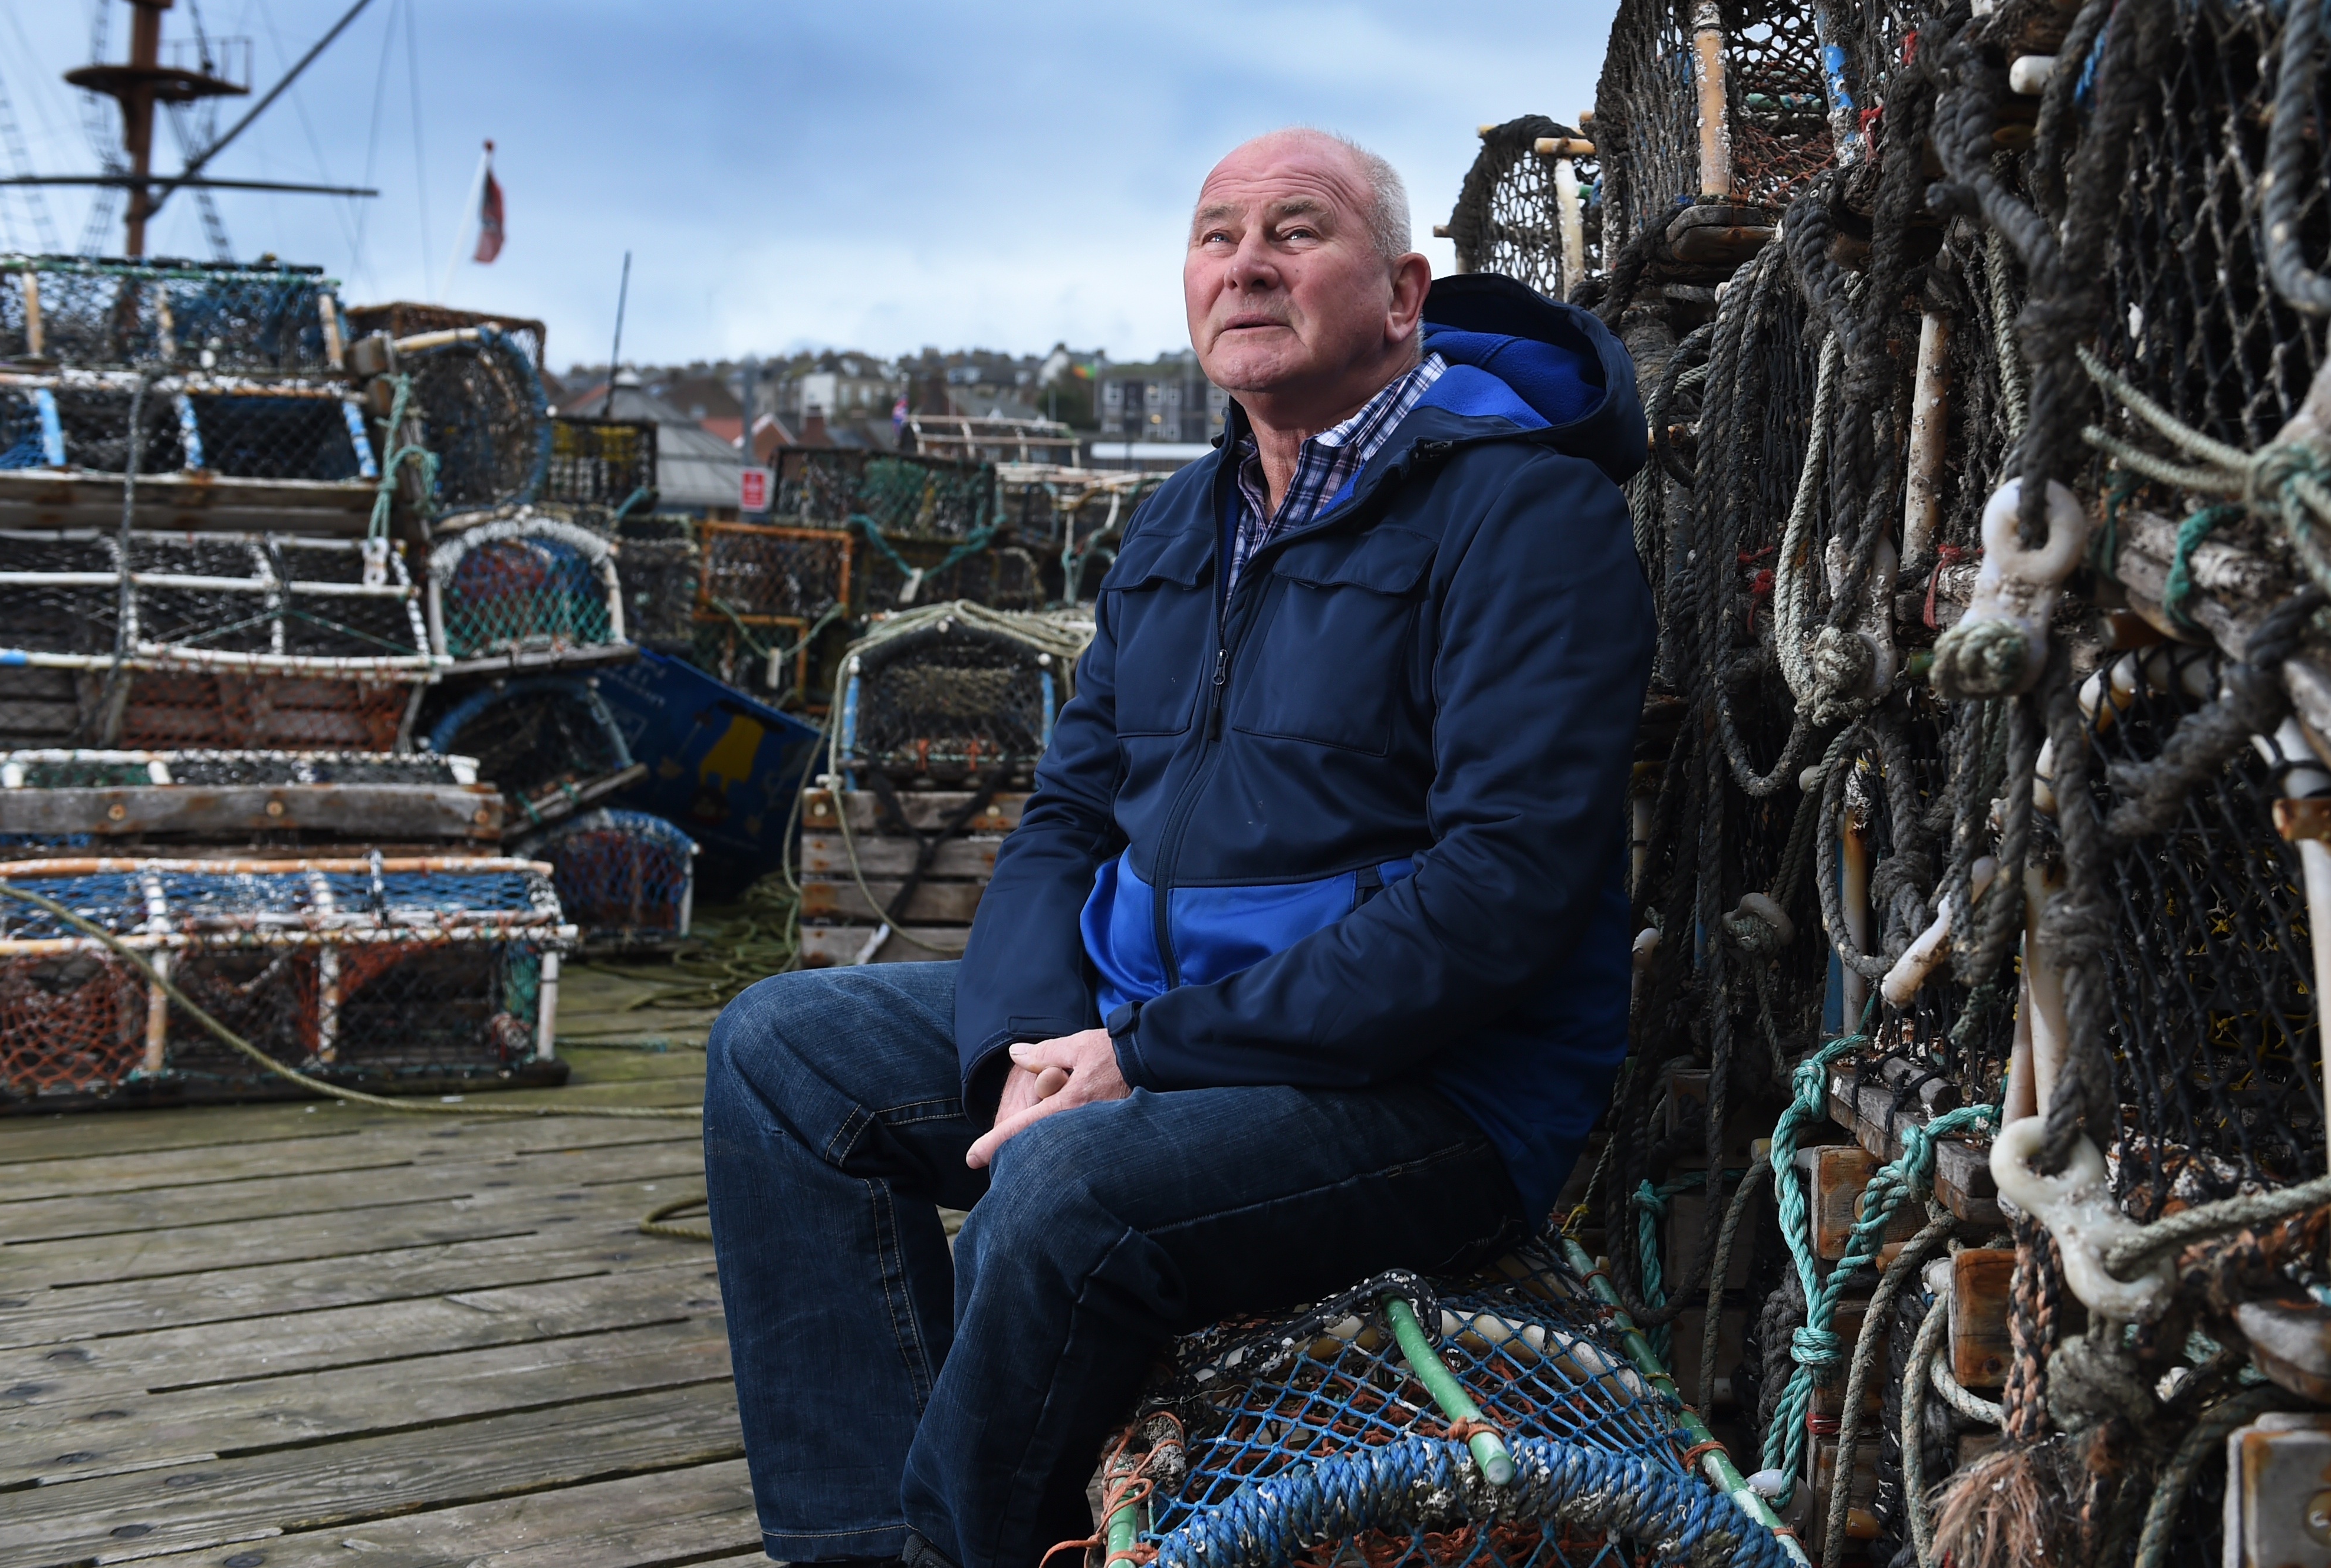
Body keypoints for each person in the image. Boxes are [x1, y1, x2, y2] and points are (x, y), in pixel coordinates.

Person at [704, 128, 1656, 1568]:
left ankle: (958, 1548)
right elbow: (1069, 819)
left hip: (1438, 1090)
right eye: (1216, 236)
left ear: (1402, 294)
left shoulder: (1529, 516)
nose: (1248, 263)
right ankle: (854, 1541)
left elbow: (1499, 894)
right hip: (1152, 1022)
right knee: (784, 1055)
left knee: (1064, 1191)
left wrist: (1142, 1061)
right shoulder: (1174, 526)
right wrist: (1037, 1037)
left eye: (1296, 228)